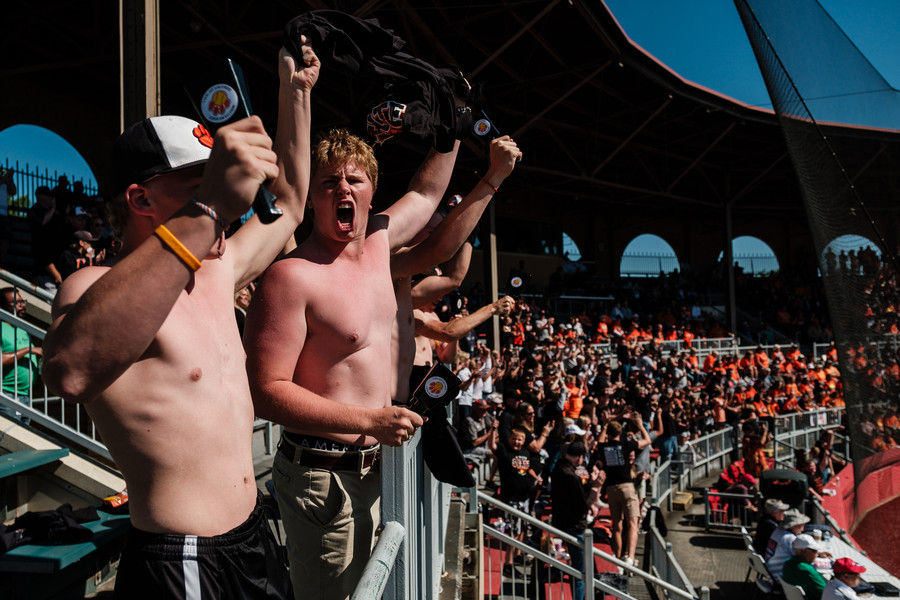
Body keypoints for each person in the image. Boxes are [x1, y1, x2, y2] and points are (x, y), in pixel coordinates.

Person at [41, 41, 319, 599]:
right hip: (185, 555)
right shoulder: (91, 286)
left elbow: (288, 202)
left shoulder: (216, 272)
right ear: (141, 199)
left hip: (252, 537)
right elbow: (70, 371)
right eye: (200, 186)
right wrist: (209, 208)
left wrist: (296, 96)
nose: (230, 198)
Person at [243, 121, 464, 596]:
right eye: (328, 182)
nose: (342, 188)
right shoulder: (289, 277)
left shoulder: (379, 245)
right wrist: (369, 418)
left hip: (375, 468)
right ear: (311, 199)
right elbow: (265, 392)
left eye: (354, 180)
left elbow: (426, 196)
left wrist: (454, 127)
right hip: (321, 482)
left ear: (371, 194)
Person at [594, 412, 651, 567]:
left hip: (611, 489)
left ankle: (618, 558)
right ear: (620, 433)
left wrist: (605, 425)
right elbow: (647, 440)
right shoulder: (627, 444)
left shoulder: (604, 446)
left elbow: (599, 440)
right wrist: (640, 425)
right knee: (633, 523)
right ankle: (630, 558)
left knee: (617, 525)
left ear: (609, 434)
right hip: (627, 486)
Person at [550, 439, 604, 600]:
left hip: (562, 523)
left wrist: (590, 485)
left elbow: (577, 495)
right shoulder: (571, 476)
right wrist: (595, 487)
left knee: (579, 569)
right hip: (574, 526)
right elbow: (582, 505)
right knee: (581, 572)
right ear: (580, 458)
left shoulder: (559, 469)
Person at [495, 427, 541, 576]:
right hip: (511, 499)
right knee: (513, 532)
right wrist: (493, 430)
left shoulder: (526, 453)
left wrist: (536, 478)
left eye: (519, 439)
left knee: (522, 529)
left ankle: (517, 555)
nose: (516, 442)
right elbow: (492, 447)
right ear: (510, 439)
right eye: (514, 438)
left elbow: (527, 470)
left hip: (524, 498)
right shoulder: (505, 451)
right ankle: (508, 564)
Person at [1, 287, 41, 424]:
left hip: (24, 395)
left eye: (22, 301)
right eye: (16, 302)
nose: (22, 305)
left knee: (23, 438)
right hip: (6, 395)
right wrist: (28, 351)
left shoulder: (22, 329)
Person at [765, 508, 809, 581]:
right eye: (801, 526)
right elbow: (804, 558)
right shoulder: (790, 538)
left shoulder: (777, 531)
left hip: (771, 570)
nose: (802, 530)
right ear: (794, 526)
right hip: (779, 576)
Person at [782, 534, 827, 600]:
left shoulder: (787, 563)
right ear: (804, 551)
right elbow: (826, 592)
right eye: (814, 551)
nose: (817, 553)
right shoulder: (807, 571)